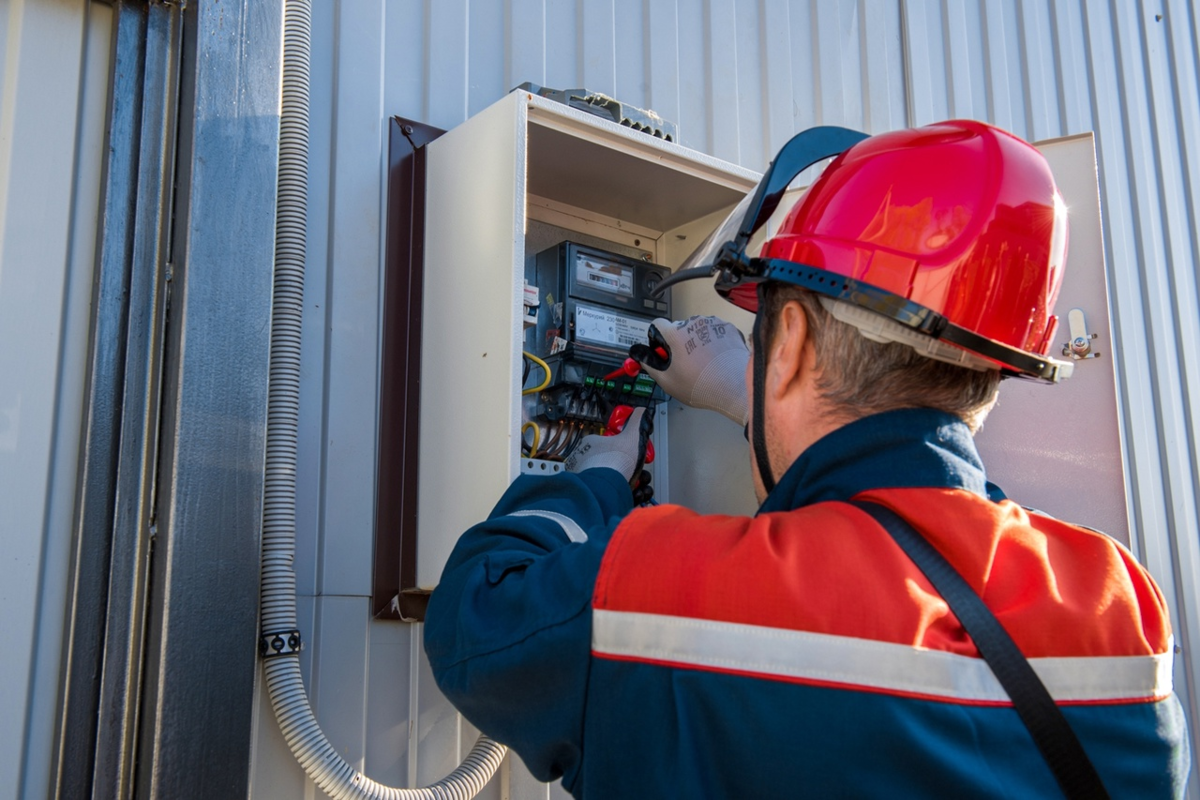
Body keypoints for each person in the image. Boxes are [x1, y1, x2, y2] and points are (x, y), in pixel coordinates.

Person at [424, 120, 1188, 798]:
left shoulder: (668, 590)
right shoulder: (1120, 606)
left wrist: (595, 474)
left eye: (764, 342)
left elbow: (478, 613)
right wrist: (750, 404)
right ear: (990, 371)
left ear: (786, 347)